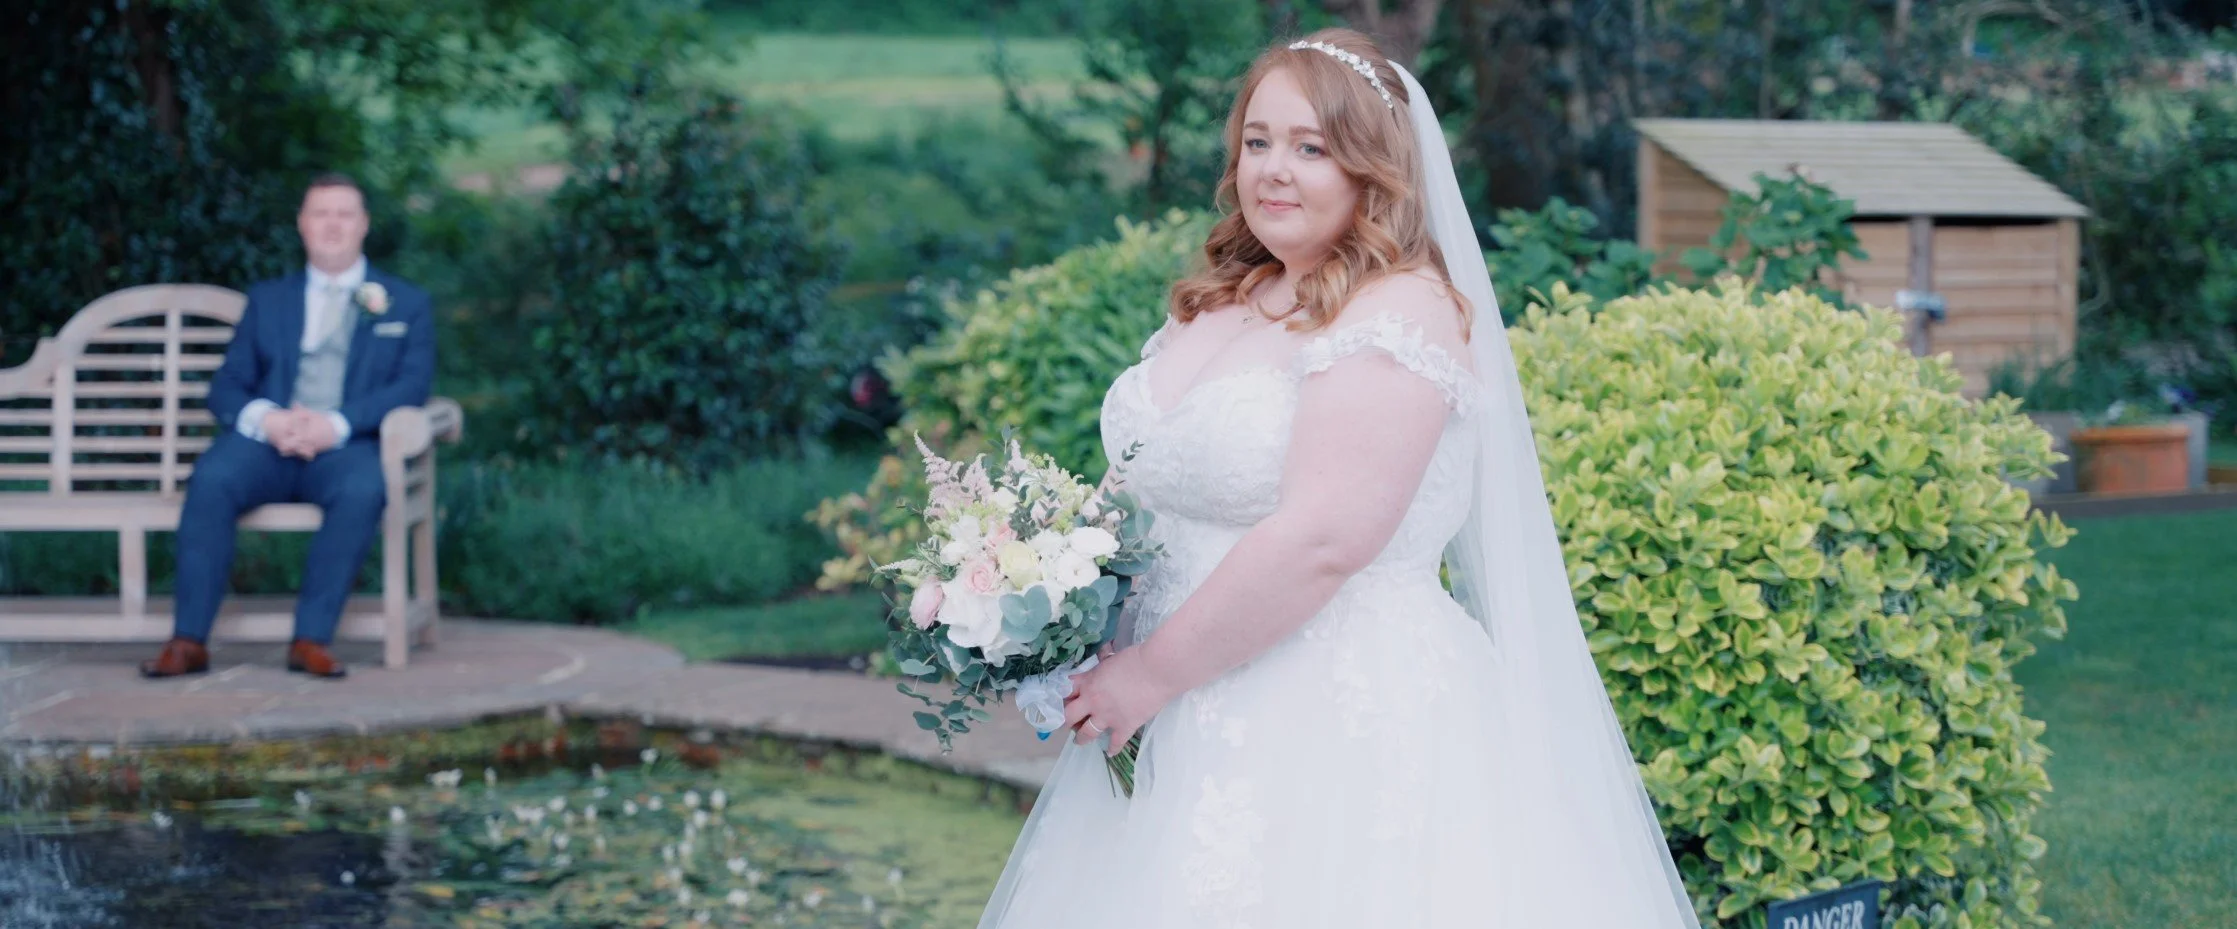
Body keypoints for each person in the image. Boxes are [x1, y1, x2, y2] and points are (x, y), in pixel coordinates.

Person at [977, 29, 1703, 928]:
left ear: (1373, 168)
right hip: (1172, 706)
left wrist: (1149, 675)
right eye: (1258, 142)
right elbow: (1144, 485)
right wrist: (1040, 602)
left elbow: (1324, 537)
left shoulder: (1399, 309)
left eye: (1312, 148)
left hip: (1327, 714)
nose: (1274, 170)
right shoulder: (1225, 298)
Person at [139, 173, 436, 681]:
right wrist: (270, 420)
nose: (332, 225)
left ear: (363, 225)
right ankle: (188, 640)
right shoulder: (269, 299)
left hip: (346, 447)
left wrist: (335, 425)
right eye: (321, 213)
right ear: (302, 224)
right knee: (212, 477)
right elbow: (227, 386)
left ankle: (311, 639)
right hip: (270, 445)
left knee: (365, 489)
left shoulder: (406, 303)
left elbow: (410, 388)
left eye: (344, 214)